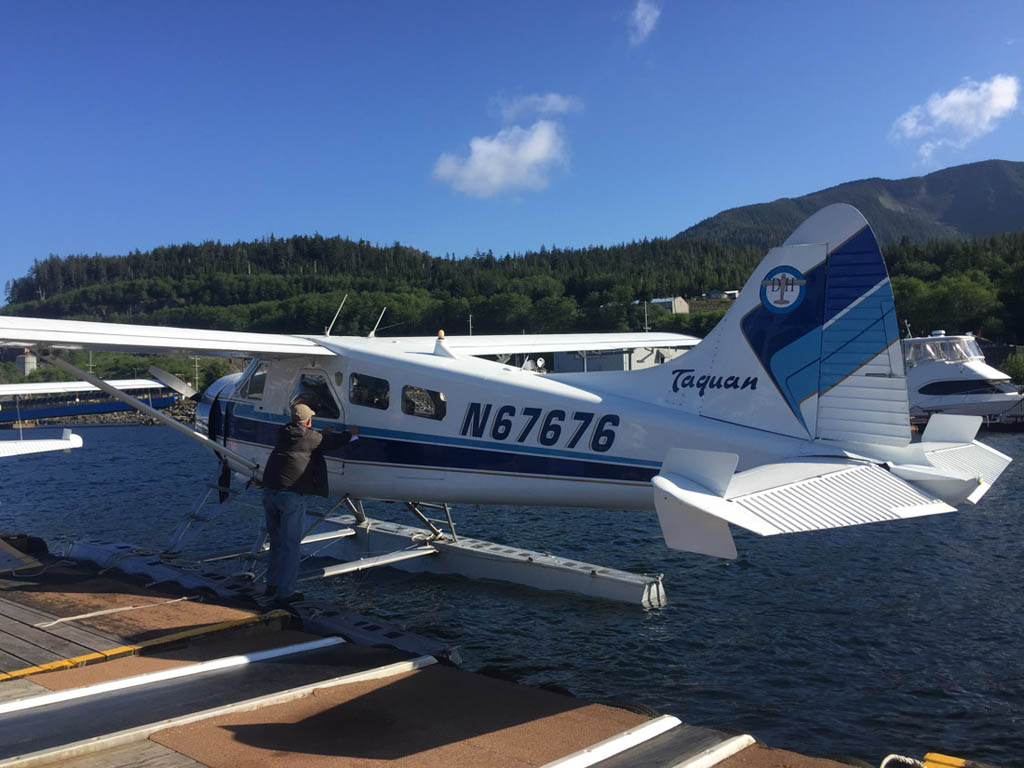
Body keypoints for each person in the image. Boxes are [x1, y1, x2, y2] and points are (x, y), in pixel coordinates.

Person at [261, 402, 358, 605]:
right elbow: (332, 441)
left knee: (277, 543)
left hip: (269, 493)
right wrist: (351, 433)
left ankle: (271, 585)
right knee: (291, 546)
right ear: (309, 420)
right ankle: (285, 594)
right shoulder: (311, 438)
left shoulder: (283, 432)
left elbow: (308, 439)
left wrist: (321, 433)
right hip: (290, 497)